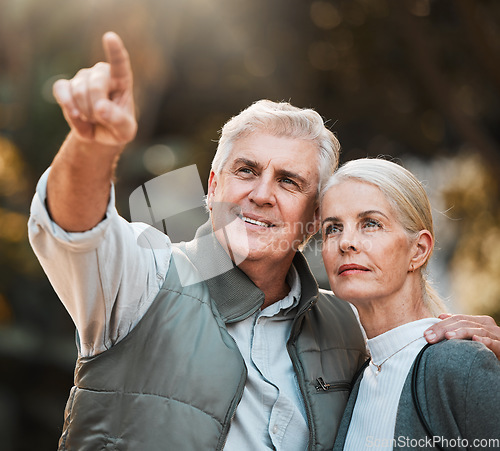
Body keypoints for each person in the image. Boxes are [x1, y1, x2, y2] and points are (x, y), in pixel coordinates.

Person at [28, 32, 500, 450]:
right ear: (212, 187)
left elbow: (413, 345)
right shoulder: (143, 277)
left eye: (289, 182)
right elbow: (76, 229)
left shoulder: (348, 327)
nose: (261, 195)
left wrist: (479, 351)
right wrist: (93, 146)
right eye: (246, 171)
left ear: (313, 221)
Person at [319, 158, 500, 450]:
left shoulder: (458, 364)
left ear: (419, 250)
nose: (345, 242)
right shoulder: (359, 379)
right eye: (332, 228)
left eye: (371, 224)